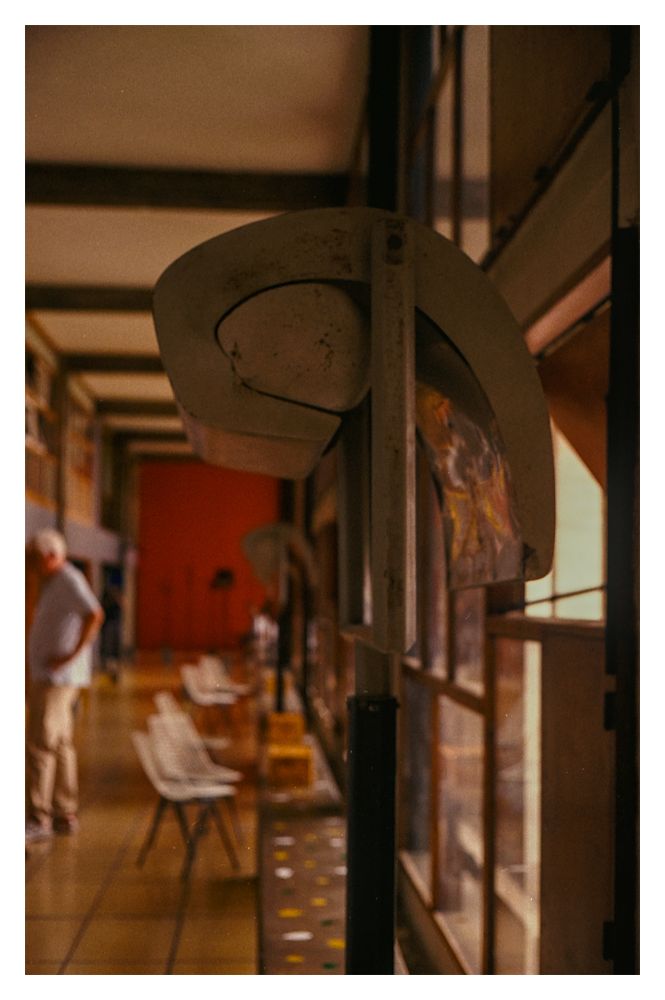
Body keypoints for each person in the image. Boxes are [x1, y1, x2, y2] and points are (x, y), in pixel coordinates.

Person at [25, 529, 104, 843]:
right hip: (52, 677)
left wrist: (71, 655)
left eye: (33, 557)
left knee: (40, 744)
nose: (30, 564)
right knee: (59, 744)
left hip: (56, 679)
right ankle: (64, 811)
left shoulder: (69, 579)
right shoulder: (52, 583)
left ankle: (38, 816)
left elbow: (94, 614)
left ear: (48, 556)